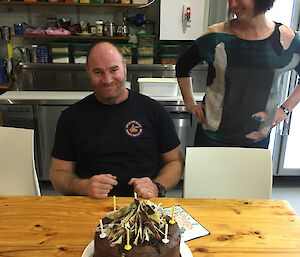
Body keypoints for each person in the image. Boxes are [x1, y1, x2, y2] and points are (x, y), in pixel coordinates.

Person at [50, 42, 183, 199]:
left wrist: (157, 187)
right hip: (90, 205)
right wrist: (84, 186)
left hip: (143, 205)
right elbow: (58, 174)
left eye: (114, 70)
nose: (107, 80)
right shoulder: (71, 117)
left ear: (124, 67)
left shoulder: (154, 111)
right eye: (98, 72)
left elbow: (175, 162)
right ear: (87, 72)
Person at [176, 0, 300, 149]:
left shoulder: (285, 39)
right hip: (211, 135)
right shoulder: (215, 36)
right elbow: (183, 66)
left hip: (257, 137)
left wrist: (286, 109)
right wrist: (190, 104)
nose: (232, 4)